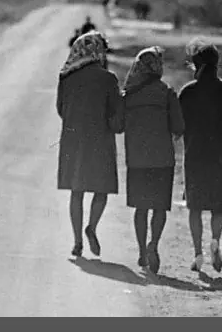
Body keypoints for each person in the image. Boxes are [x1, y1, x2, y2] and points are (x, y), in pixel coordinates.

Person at [56, 31, 125, 258]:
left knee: (76, 191)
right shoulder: (108, 79)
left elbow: (60, 109)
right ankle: (92, 227)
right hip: (100, 140)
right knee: (101, 189)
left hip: (73, 139)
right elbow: (116, 114)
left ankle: (77, 242)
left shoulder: (66, 77)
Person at [122, 46, 185, 274]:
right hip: (162, 159)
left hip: (137, 159)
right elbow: (178, 127)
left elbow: (119, 125)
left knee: (141, 208)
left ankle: (141, 251)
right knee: (159, 207)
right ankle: (153, 245)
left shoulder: (129, 93)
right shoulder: (167, 92)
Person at [179, 40, 222, 273]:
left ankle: (198, 254)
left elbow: (179, 124)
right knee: (217, 208)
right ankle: (215, 241)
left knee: (195, 208)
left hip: (195, 155)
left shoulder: (188, 92)